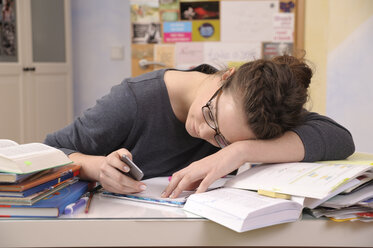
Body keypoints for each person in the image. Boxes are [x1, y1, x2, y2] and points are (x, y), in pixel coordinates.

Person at [44, 55, 355, 199]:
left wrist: (239, 151)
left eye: (222, 138)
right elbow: (47, 151)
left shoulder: (258, 115)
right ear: (224, 76)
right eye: (210, 114)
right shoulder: (133, 101)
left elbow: (339, 139)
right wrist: (96, 166)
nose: (205, 134)